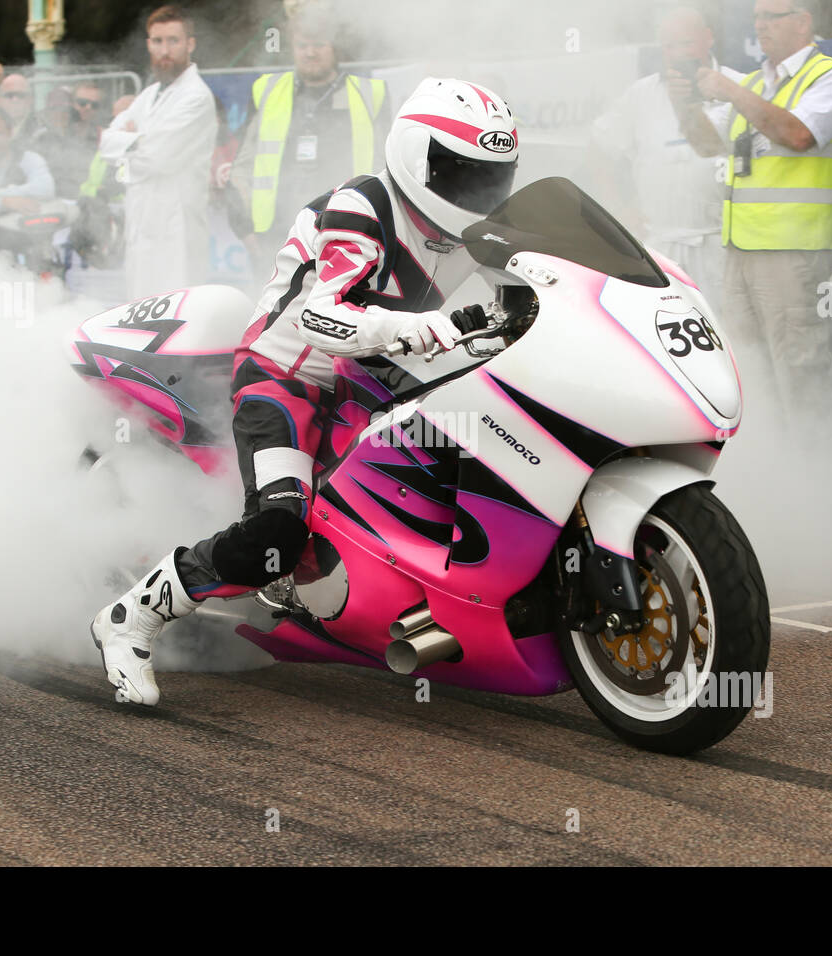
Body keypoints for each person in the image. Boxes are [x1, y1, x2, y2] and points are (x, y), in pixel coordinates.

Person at [88, 77, 519, 707]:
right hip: (288, 377)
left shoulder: (472, 227)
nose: (477, 192)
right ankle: (132, 617)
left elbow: (533, 281)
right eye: (460, 173)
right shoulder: (362, 207)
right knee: (277, 533)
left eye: (490, 176)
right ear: (415, 155)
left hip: (380, 378)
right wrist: (426, 328)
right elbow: (324, 316)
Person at [671, 0, 832, 436]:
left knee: (800, 368)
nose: (761, 26)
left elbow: (799, 135)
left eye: (772, 17)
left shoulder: (827, 76)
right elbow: (708, 145)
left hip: (794, 250)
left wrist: (729, 91)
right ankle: (772, 467)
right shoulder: (754, 83)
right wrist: (685, 105)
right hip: (743, 249)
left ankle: (818, 466)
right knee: (747, 369)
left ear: (803, 22)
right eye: (757, 18)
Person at [587, 7, 742, 314]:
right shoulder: (641, 95)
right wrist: (618, 209)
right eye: (669, 46)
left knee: (728, 336)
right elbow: (599, 147)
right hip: (659, 246)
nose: (677, 54)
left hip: (722, 249)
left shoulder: (738, 87)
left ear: (708, 39)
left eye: (686, 44)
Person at [226, 3, 390, 275]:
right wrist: (244, 230)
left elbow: (385, 170)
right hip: (276, 237)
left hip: (346, 234)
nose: (310, 52)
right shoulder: (267, 91)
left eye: (318, 44)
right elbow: (242, 166)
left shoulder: (370, 95)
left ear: (334, 45)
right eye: (302, 45)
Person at [98, 5, 219, 300]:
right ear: (148, 44)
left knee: (176, 312)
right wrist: (138, 142)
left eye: (173, 41)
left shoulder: (196, 97)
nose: (165, 50)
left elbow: (160, 158)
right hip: (142, 219)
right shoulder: (150, 94)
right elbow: (105, 144)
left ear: (190, 44)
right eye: (157, 41)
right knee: (140, 310)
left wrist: (129, 141)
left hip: (176, 225)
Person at [0, 73, 38, 143]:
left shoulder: (41, 130)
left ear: (31, 99)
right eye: (9, 95)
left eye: (20, 95)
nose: (15, 100)